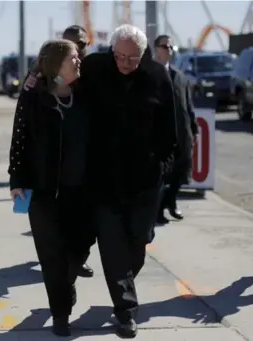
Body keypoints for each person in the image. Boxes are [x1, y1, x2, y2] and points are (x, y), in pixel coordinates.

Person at [80, 25, 177, 338]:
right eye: (119, 56)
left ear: (143, 54)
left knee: (137, 244)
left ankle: (124, 288)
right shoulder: (94, 68)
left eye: (131, 59)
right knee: (112, 247)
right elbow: (62, 83)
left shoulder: (157, 76)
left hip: (145, 181)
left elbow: (170, 129)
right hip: (102, 180)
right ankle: (126, 311)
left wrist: (164, 164)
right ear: (111, 51)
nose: (124, 64)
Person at [8, 39, 91, 337]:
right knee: (51, 256)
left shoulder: (85, 95)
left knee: (79, 249)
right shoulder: (32, 98)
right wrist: (16, 180)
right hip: (44, 193)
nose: (79, 61)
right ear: (57, 63)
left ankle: (65, 286)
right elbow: (19, 141)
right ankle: (60, 315)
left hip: (81, 193)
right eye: (73, 57)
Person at [24, 24, 95, 279]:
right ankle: (62, 279)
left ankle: (74, 262)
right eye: (74, 44)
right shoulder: (46, 78)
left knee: (84, 231)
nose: (80, 49)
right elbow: (28, 114)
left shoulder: (91, 71)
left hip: (81, 169)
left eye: (83, 45)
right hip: (51, 173)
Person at [154, 35, 198, 224]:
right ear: (156, 49)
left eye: (171, 46)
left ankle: (171, 202)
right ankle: (158, 211)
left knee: (182, 172)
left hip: (183, 132)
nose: (169, 49)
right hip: (162, 134)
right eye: (165, 46)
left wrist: (193, 127)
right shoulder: (150, 73)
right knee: (163, 176)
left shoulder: (179, 75)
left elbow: (187, 104)